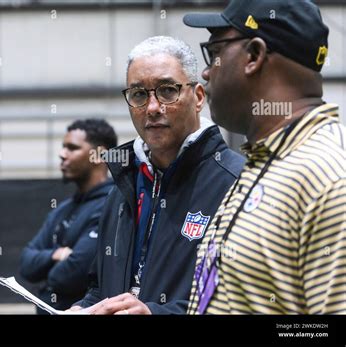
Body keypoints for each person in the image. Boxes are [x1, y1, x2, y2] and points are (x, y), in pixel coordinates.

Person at [184, 0, 346, 314]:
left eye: (215, 52)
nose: (206, 71)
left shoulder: (328, 178)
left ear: (254, 56)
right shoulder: (264, 163)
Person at [71, 36, 245, 315]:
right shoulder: (122, 187)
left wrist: (155, 313)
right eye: (139, 94)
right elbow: (99, 288)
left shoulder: (237, 184)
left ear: (198, 97)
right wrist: (82, 309)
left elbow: (243, 303)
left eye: (166, 91)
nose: (152, 108)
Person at [20, 118, 116, 313]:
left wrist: (48, 273)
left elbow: (70, 275)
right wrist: (57, 254)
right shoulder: (63, 209)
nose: (62, 154)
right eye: (63, 147)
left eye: (72, 148)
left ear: (99, 155)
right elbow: (26, 264)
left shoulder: (112, 205)